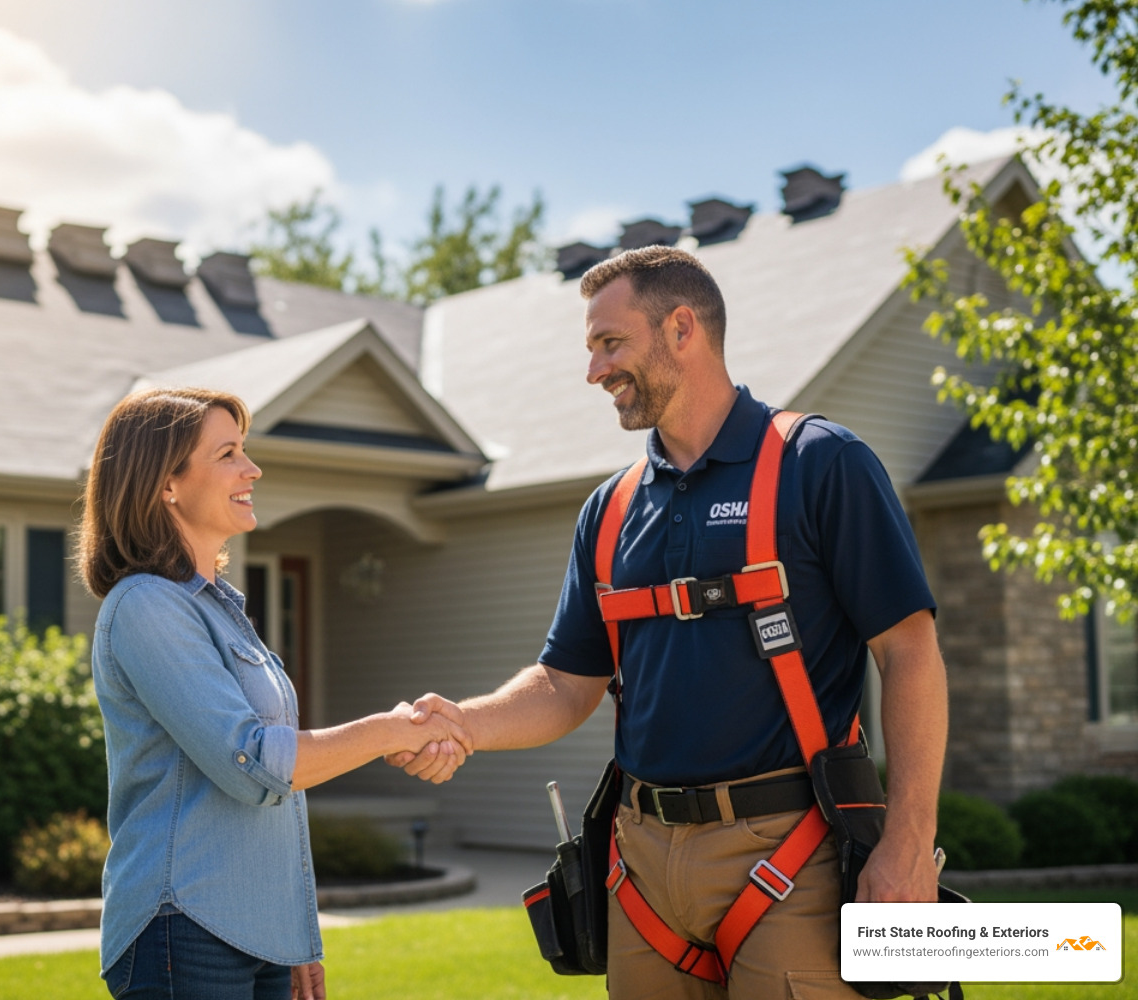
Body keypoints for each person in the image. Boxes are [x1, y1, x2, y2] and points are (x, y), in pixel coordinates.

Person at [393, 246, 948, 998]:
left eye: (610, 343)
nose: (594, 371)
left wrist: (910, 841)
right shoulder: (612, 509)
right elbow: (564, 683)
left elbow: (909, 652)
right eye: (591, 348)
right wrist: (466, 721)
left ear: (682, 328)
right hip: (641, 863)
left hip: (791, 850)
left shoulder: (821, 465)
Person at [80, 387, 471, 1000]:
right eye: (228, 453)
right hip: (182, 926)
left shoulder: (223, 611)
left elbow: (277, 798)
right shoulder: (145, 606)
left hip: (256, 933)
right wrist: (390, 731)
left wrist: (292, 933)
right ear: (166, 485)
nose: (252, 468)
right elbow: (257, 765)